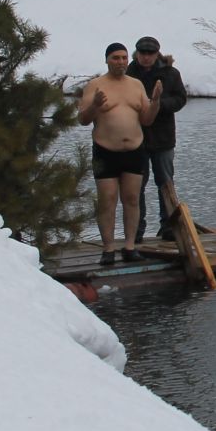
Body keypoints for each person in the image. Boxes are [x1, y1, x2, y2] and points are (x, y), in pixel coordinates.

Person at [77, 42, 162, 266]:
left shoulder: (136, 85)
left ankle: (130, 246)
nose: (121, 62)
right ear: (107, 60)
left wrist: (156, 102)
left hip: (134, 150)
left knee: (132, 199)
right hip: (106, 150)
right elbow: (83, 120)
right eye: (116, 58)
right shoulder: (95, 85)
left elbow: (146, 120)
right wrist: (95, 105)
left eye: (124, 58)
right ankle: (108, 248)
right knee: (107, 200)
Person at [127, 36, 187, 240]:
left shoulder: (171, 73)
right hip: (136, 137)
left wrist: (159, 105)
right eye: (142, 53)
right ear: (137, 53)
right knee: (136, 184)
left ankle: (169, 225)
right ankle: (136, 228)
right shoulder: (129, 72)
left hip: (163, 138)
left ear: (157, 54)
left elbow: (180, 99)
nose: (145, 57)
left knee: (166, 182)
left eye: (149, 53)